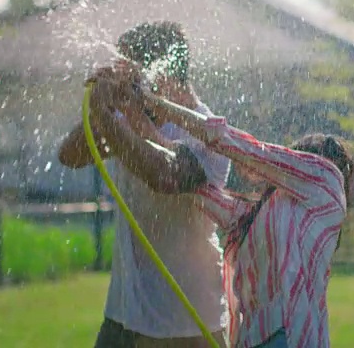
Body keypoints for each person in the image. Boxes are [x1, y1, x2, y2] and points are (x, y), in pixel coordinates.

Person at [87, 64, 354, 347]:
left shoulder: (326, 180)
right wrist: (133, 116)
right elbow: (196, 189)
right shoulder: (262, 213)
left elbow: (241, 147)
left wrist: (158, 104)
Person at [58, 21, 230, 348]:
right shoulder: (127, 118)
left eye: (131, 72)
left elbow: (164, 175)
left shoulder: (210, 133)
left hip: (183, 325)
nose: (126, 81)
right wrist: (101, 109)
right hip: (122, 314)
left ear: (160, 75)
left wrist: (110, 117)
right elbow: (70, 155)